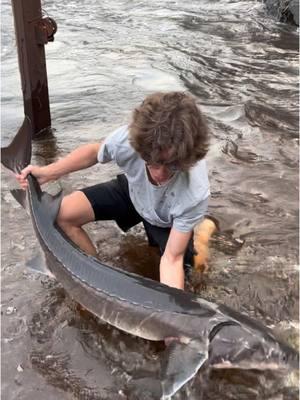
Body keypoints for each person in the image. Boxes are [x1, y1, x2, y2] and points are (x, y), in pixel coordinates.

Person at [16, 91, 213, 290]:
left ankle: (201, 232)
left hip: (169, 217)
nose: (160, 174)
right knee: (62, 215)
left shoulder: (195, 193)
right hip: (134, 191)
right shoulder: (129, 140)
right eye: (153, 163)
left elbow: (172, 258)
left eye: (173, 166)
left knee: (190, 276)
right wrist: (46, 173)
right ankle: (95, 278)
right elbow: (94, 153)